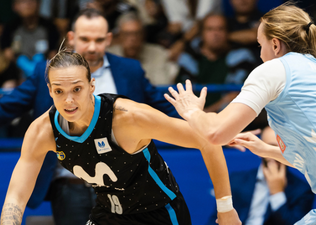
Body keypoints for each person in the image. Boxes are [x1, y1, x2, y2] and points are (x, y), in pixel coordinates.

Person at [165, 2, 316, 224]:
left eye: (260, 45)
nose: (260, 54)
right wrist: (266, 149)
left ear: (275, 45)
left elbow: (215, 134)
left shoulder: (274, 69)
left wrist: (192, 111)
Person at [0, 51, 241, 225]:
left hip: (159, 213)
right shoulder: (43, 130)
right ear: (50, 90)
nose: (69, 100)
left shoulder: (128, 117)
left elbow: (207, 140)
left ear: (91, 85)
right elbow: (17, 195)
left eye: (77, 89)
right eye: (59, 92)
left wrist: (226, 209)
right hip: (108, 213)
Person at [0, 8, 180, 225]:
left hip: (129, 187)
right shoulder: (46, 72)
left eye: (99, 39)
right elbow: (10, 105)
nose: (92, 47)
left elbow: (163, 108)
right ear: (72, 37)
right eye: (85, 39)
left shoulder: (129, 72)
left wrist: (204, 121)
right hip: (70, 185)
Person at [207, 126, 314, 225]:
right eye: (269, 147)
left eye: (281, 148)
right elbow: (215, 220)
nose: (275, 153)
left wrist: (277, 193)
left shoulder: (302, 190)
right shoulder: (236, 181)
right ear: (258, 150)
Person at [175, 13, 256, 112]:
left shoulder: (242, 57)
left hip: (228, 119)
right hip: (191, 117)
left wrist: (205, 115)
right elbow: (182, 93)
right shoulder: (189, 57)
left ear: (228, 32)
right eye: (210, 29)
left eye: (220, 29)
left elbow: (237, 95)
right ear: (202, 34)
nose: (216, 33)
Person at [107, 12, 178, 85]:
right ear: (119, 36)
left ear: (144, 35)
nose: (133, 39)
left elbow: (162, 86)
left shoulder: (158, 54)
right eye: (127, 34)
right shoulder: (109, 55)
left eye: (137, 33)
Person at [0, 0, 60, 77]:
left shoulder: (49, 27)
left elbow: (54, 54)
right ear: (15, 6)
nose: (28, 4)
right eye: (23, 1)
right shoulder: (11, 28)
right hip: (17, 74)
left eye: (32, 1)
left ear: (39, 4)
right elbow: (7, 54)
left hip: (44, 73)